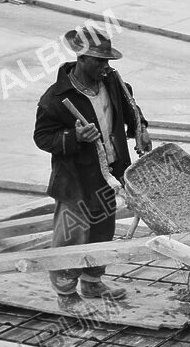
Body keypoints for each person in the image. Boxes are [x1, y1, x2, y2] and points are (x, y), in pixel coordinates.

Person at [33, 27, 151, 302]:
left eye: (107, 60)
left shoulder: (112, 82)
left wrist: (141, 129)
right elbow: (42, 137)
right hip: (75, 178)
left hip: (109, 174)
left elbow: (131, 109)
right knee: (71, 236)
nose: (105, 66)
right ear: (81, 59)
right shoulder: (55, 98)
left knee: (102, 230)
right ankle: (65, 292)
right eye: (99, 60)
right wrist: (74, 137)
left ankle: (93, 282)